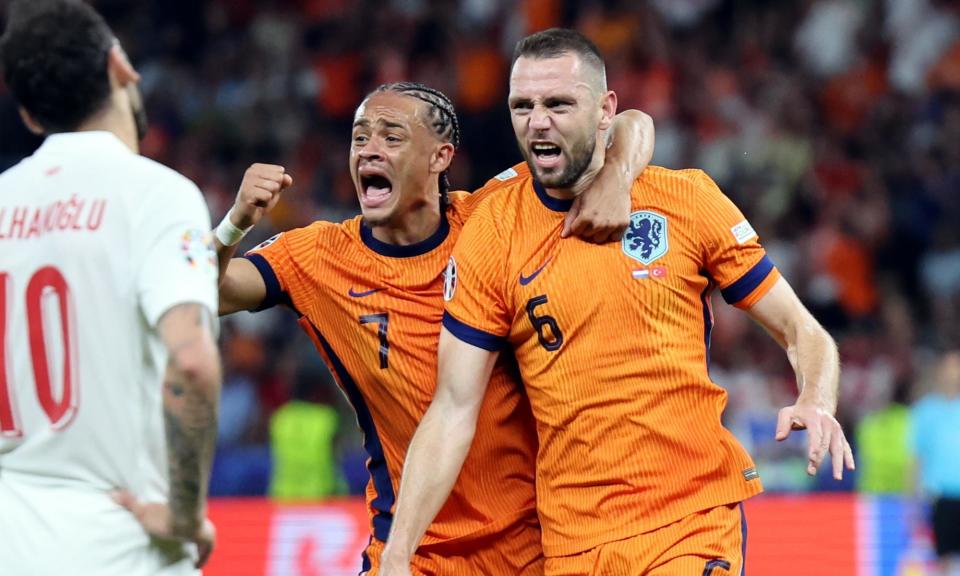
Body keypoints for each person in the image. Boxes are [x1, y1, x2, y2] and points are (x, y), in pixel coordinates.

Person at [380, 28, 856, 576]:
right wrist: (398, 555)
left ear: (606, 109)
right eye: (522, 106)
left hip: (689, 521)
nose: (538, 122)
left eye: (558, 103)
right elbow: (452, 408)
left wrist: (816, 398)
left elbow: (803, 332)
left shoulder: (686, 200)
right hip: (572, 543)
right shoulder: (492, 232)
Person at [215, 81, 653, 573]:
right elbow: (204, 293)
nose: (369, 151)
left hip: (536, 549)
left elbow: (626, 124)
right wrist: (233, 224)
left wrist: (617, 176)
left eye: (392, 137)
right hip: (410, 552)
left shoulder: (493, 218)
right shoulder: (318, 257)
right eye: (360, 138)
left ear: (440, 156)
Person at [0, 1, 221, 575]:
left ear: (28, 114)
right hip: (123, 546)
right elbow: (192, 364)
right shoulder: (157, 195)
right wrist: (184, 514)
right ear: (120, 65)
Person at [911, 349, 960, 576]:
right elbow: (916, 456)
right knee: (943, 557)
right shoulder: (926, 410)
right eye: (951, 366)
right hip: (940, 497)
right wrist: (912, 499)